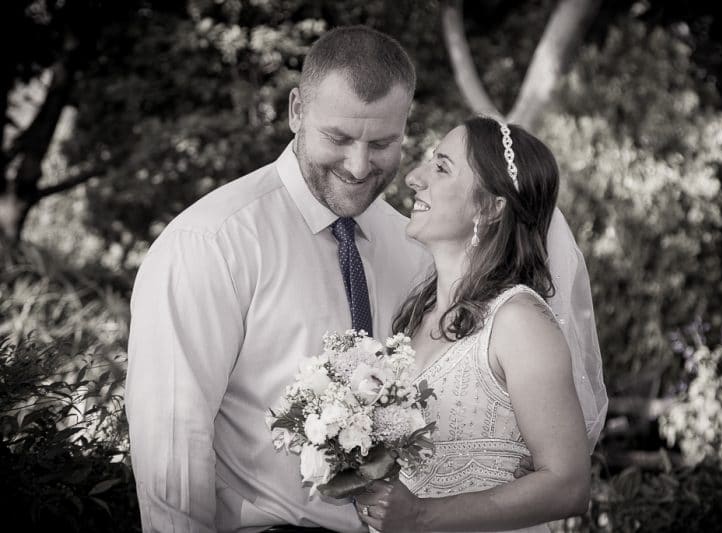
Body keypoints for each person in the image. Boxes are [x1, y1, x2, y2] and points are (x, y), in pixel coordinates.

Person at [125, 26, 431, 532]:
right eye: (338, 138)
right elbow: (172, 443)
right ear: (296, 111)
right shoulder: (211, 242)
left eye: (382, 143)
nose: (359, 166)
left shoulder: (413, 247)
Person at [354, 117, 597, 532]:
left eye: (442, 167)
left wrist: (422, 516)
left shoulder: (518, 321)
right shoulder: (415, 316)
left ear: (489, 207)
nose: (413, 177)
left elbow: (569, 484)